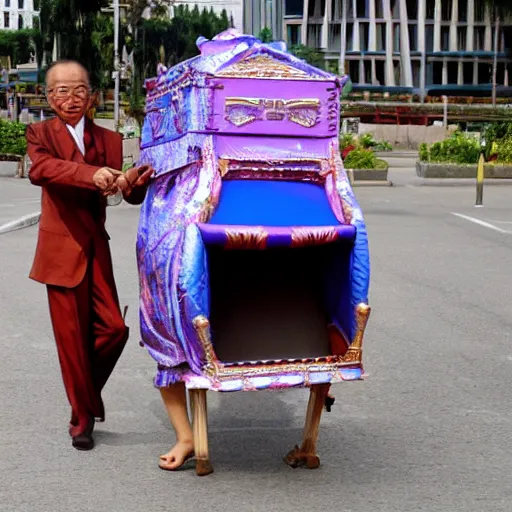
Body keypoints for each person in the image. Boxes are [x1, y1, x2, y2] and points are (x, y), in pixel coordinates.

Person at [26, 59, 153, 451]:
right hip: (59, 250)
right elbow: (42, 170)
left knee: (114, 329)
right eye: (61, 91)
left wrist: (133, 181)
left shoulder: (111, 140)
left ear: (92, 95)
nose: (71, 98)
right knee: (70, 339)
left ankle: (86, 395)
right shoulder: (40, 133)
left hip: (97, 248)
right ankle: (82, 417)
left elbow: (127, 193)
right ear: (49, 97)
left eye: (79, 89)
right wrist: (91, 174)